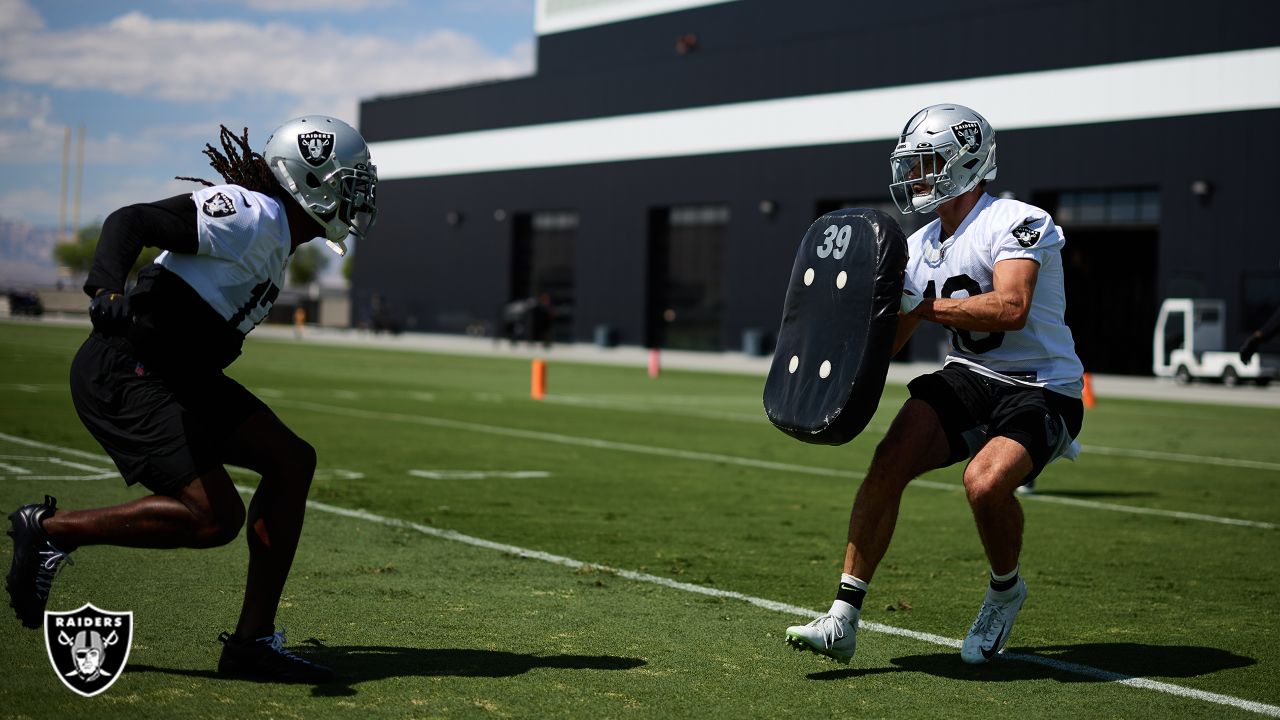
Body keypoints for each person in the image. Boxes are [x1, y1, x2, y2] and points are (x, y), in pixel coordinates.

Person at [5, 116, 377, 683]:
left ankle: (252, 644)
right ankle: (53, 531)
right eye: (348, 182)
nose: (357, 196)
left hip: (178, 374)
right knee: (213, 517)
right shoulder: (254, 215)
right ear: (311, 180)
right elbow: (129, 221)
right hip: (128, 372)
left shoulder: (277, 233)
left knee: (291, 460)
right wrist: (105, 288)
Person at [785, 104, 1084, 665]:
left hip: (1042, 384)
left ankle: (1005, 590)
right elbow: (891, 340)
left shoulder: (1018, 220)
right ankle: (842, 617)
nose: (914, 176)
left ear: (966, 162)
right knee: (889, 459)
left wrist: (921, 304)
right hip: (970, 375)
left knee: (984, 483)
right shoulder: (920, 244)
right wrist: (851, 323)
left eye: (926, 162)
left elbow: (1012, 307)